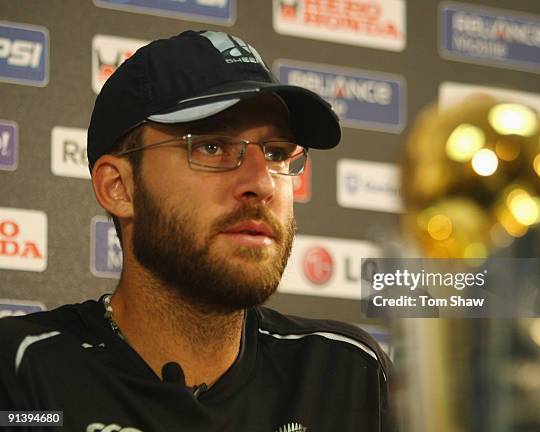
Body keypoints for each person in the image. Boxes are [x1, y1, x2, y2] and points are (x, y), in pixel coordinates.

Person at [0, 30, 393, 432]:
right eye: (211, 146)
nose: (262, 183)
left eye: (276, 154)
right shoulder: (22, 371)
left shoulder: (345, 373)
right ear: (119, 188)